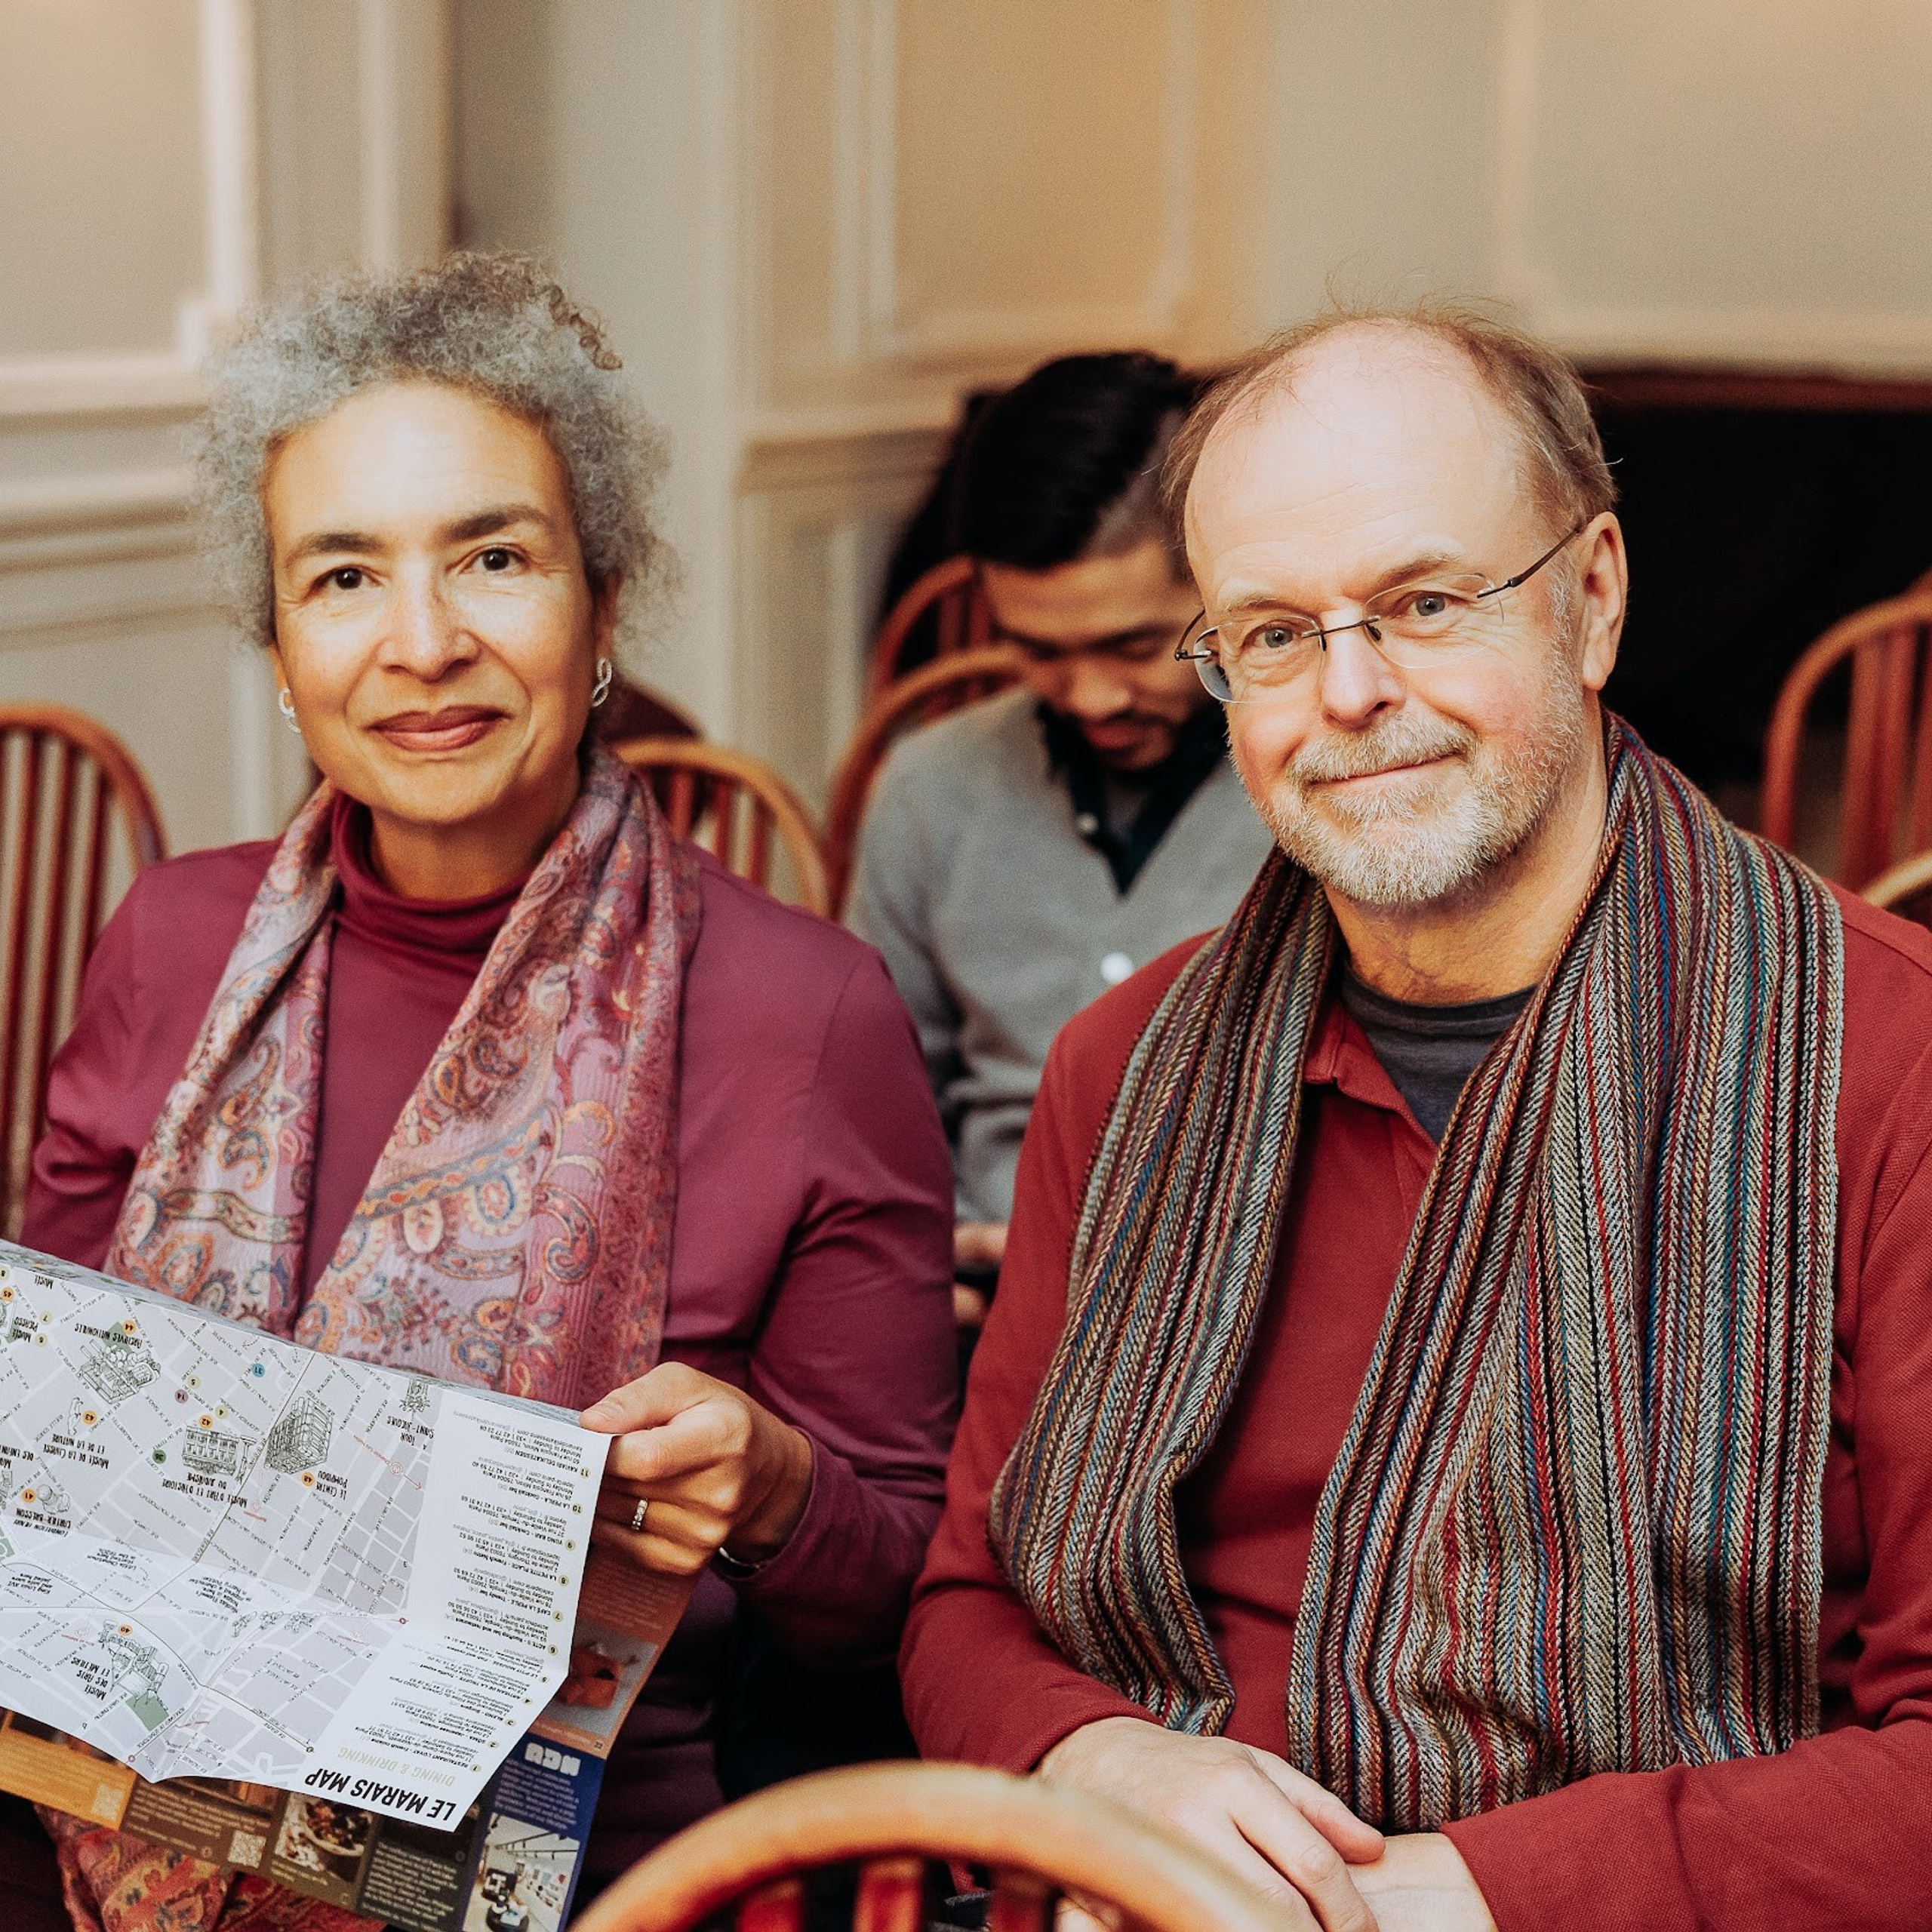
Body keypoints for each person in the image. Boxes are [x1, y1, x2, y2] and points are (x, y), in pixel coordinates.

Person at [900, 306, 1932, 1932]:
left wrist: (1447, 1897)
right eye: (1271, 634)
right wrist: (1096, 1760)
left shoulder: (1887, 1065)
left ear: (1593, 596)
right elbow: (970, 1599)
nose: (1350, 692)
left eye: (1425, 604)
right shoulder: (1125, 1067)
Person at [20, 253, 958, 1929]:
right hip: (113, 1836)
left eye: (495, 557)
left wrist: (771, 1487)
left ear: (603, 606)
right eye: (343, 577)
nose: (424, 643)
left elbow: (901, 1588)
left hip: (604, 1881)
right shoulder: (168, 940)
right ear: (282, 645)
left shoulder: (808, 1010)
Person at [847, 354, 1273, 1324]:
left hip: (1241, 1313)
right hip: (984, 1306)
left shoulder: (1323, 785)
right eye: (1038, 650)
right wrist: (931, 1253)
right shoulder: (930, 787)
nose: (1090, 697)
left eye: (1134, 646)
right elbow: (879, 1103)